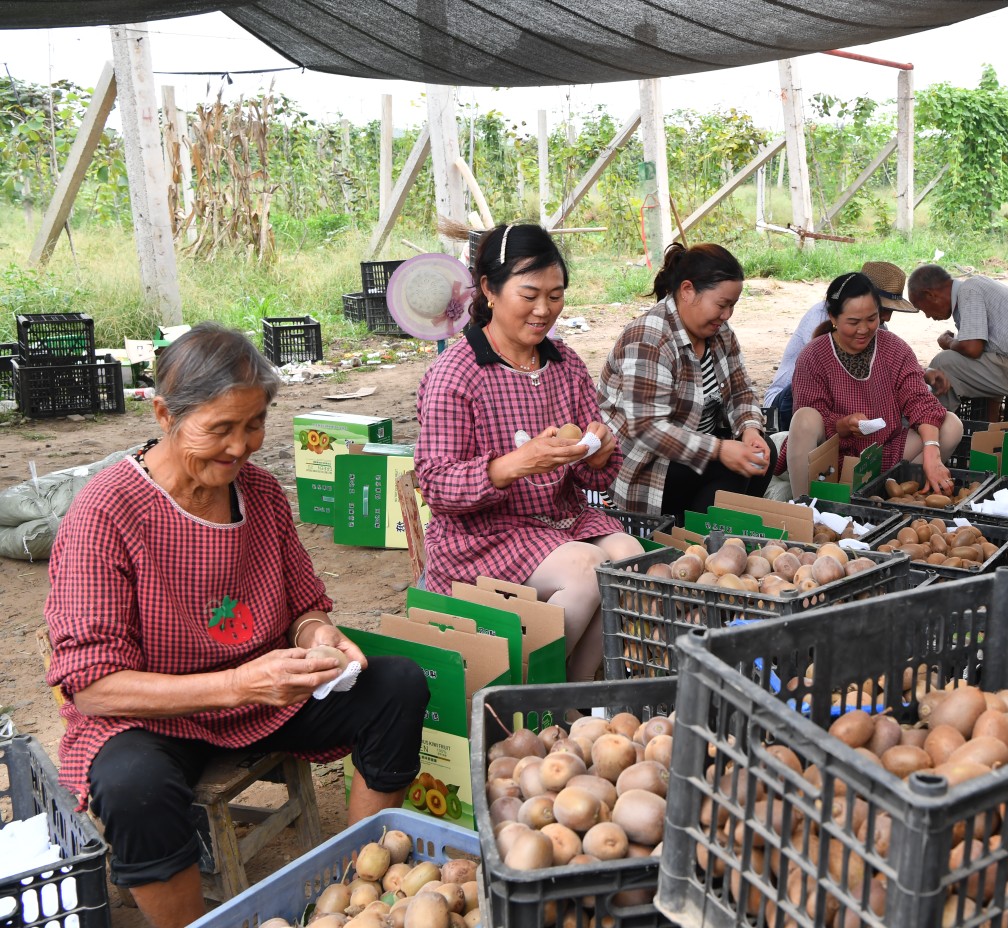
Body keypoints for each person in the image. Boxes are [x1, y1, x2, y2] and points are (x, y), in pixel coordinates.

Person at [44, 323, 429, 928]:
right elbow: (92, 687)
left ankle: (361, 892)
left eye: (253, 424)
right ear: (165, 413)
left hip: (263, 697)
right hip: (158, 714)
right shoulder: (105, 513)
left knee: (398, 685)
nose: (240, 445)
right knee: (132, 786)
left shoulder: (261, 493)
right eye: (219, 428)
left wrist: (318, 637)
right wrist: (238, 685)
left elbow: (304, 605)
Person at [415, 223, 642, 683]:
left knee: (628, 556)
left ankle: (574, 695)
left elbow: (595, 482)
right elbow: (436, 485)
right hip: (482, 536)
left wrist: (597, 458)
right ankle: (535, 694)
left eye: (556, 295)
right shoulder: (455, 374)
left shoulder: (565, 363)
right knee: (584, 570)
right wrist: (511, 466)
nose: (544, 310)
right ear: (489, 290)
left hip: (562, 522)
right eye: (530, 294)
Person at [599, 242, 771, 517]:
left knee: (760, 456)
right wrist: (719, 449)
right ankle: (693, 545)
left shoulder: (721, 334)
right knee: (731, 469)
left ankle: (715, 541)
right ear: (687, 290)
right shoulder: (650, 338)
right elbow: (646, 429)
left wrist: (750, 430)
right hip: (647, 468)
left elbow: (741, 390)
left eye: (732, 306)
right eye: (722, 305)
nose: (726, 315)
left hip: (695, 453)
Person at [777, 272, 963, 498]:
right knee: (804, 417)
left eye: (871, 319)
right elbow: (813, 420)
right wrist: (844, 424)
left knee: (950, 425)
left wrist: (932, 452)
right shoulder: (813, 356)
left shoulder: (895, 348)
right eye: (853, 322)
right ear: (833, 318)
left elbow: (919, 401)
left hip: (883, 454)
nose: (864, 329)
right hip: (834, 460)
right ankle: (806, 507)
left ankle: (895, 496)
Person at [762, 261, 935, 426]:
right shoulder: (819, 316)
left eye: (872, 317)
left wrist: (920, 376)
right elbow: (828, 378)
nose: (887, 317)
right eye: (885, 309)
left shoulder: (878, 329)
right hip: (787, 402)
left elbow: (889, 367)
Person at [907, 264, 1008, 413]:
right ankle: (987, 431)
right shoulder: (978, 285)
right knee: (974, 360)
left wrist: (949, 342)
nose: (928, 316)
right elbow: (985, 353)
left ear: (930, 295)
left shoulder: (969, 291)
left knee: (944, 363)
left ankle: (927, 426)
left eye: (922, 309)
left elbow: (972, 348)